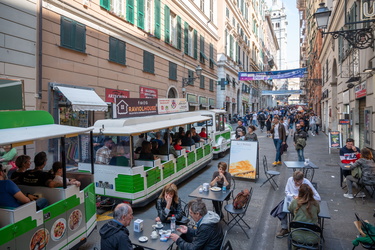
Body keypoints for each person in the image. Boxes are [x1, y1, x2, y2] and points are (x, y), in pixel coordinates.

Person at [273, 171, 320, 238]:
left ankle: (298, 224)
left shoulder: (306, 184)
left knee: (300, 211)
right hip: (293, 200)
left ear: (302, 179)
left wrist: (304, 198)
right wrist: (293, 196)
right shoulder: (290, 180)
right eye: (294, 181)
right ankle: (284, 228)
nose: (295, 183)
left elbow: (318, 197)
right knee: (282, 208)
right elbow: (287, 191)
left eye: (297, 181)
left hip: (303, 202)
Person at [288, 184, 320, 248]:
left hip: (296, 236)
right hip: (312, 239)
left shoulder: (295, 202)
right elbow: (318, 212)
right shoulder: (316, 203)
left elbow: (290, 209)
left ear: (299, 193)